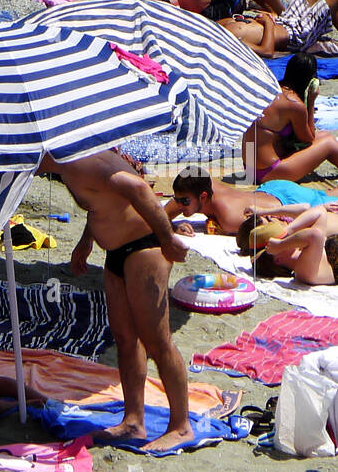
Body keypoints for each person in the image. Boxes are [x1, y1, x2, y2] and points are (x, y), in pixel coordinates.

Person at [52, 149, 191, 453]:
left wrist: (167, 238)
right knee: (126, 339)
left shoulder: (81, 161)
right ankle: (133, 421)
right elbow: (102, 202)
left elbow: (138, 188)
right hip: (117, 252)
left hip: (145, 247)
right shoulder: (68, 165)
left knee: (157, 341)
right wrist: (86, 240)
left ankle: (181, 426)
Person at [166, 166, 336, 238]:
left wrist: (319, 209)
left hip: (286, 203)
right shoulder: (195, 184)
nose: (179, 206)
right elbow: (160, 216)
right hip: (270, 189)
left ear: (203, 196)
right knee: (327, 193)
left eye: (184, 201)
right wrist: (173, 227)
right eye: (178, 200)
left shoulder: (230, 218)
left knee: (328, 201)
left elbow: (278, 226)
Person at [220, 0, 338, 58]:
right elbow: (267, 51)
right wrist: (268, 22)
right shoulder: (227, 40)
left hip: (285, 20)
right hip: (296, 35)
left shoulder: (216, 26)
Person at [245, 208, 338, 286]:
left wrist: (288, 229)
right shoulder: (302, 272)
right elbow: (315, 235)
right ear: (277, 259)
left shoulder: (307, 250)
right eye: (283, 237)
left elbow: (320, 212)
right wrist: (281, 244)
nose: (289, 237)